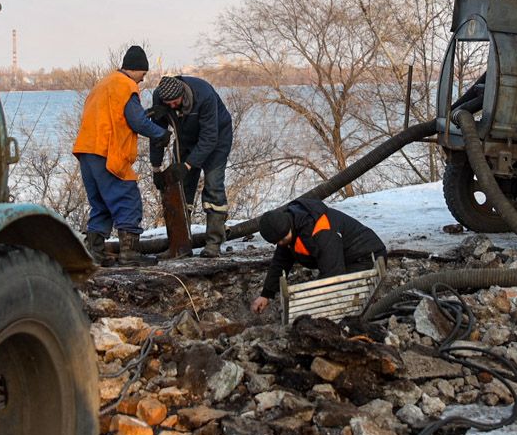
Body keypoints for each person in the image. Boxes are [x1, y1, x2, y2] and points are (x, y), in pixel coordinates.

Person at [72, 45, 168, 266]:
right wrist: (160, 133)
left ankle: (95, 253)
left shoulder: (103, 84)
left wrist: (149, 114)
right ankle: (130, 255)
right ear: (135, 69)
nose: (142, 80)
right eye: (143, 74)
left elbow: (119, 117)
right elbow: (136, 121)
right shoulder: (126, 85)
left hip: (87, 152)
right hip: (107, 152)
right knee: (128, 198)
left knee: (102, 205)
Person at [250, 198, 387, 313]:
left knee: (342, 301)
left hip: (368, 257)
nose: (281, 243)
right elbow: (280, 262)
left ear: (289, 227)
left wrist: (306, 307)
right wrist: (266, 295)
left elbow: (333, 274)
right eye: (277, 242)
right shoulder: (288, 230)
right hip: (345, 259)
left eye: (283, 239)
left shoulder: (320, 229)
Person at [149, 75, 233, 258]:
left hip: (217, 139)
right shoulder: (159, 97)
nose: (171, 106)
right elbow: (157, 135)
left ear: (182, 95)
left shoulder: (204, 95)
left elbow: (209, 138)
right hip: (186, 140)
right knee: (181, 189)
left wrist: (187, 166)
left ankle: (214, 243)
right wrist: (156, 168)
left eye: (175, 102)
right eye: (167, 103)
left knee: (213, 186)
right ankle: (180, 246)